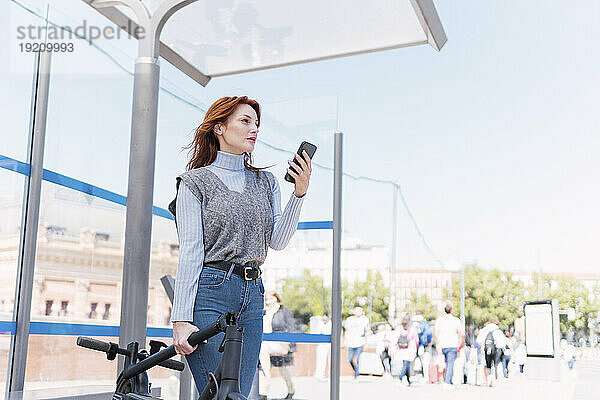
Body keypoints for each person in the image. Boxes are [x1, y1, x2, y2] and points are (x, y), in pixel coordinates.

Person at [168, 96, 312, 397]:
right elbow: (191, 252)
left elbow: (278, 241)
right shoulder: (194, 182)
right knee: (220, 394)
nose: (254, 129)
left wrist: (298, 195)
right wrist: (180, 320)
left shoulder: (267, 182)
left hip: (253, 296)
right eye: (245, 121)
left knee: (239, 395)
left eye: (256, 123)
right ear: (219, 127)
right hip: (210, 294)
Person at [259, 292, 296, 400]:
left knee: (283, 370)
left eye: (271, 298)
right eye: (267, 299)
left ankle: (291, 390)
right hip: (266, 343)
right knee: (263, 365)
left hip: (280, 343)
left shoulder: (283, 310)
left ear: (276, 298)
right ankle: (263, 392)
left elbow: (291, 327)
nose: (268, 301)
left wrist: (292, 346)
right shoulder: (264, 311)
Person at [435, 302, 465, 388]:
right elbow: (461, 334)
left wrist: (438, 344)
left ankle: (446, 379)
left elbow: (436, 334)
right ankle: (447, 381)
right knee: (450, 363)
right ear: (451, 310)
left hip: (442, 344)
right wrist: (461, 344)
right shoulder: (456, 320)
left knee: (445, 363)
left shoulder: (440, 320)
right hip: (453, 344)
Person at [476, 317, 507, 386]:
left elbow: (478, 340)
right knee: (496, 364)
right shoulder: (498, 331)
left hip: (487, 349)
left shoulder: (485, 329)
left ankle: (488, 380)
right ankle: (495, 380)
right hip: (496, 350)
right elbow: (502, 343)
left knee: (488, 365)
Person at [392, 314, 418, 387]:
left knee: (406, 364)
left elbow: (395, 338)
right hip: (410, 349)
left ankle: (408, 380)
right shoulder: (412, 329)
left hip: (401, 349)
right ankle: (400, 378)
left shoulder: (399, 328)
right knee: (406, 365)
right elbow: (416, 340)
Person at [343, 307, 370, 379]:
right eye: (357, 311)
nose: (359, 312)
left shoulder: (365, 320)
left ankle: (357, 375)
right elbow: (347, 331)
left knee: (357, 359)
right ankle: (355, 370)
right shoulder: (349, 320)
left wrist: (367, 343)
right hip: (351, 342)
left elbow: (367, 332)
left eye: (360, 311)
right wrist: (345, 340)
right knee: (350, 359)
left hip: (360, 342)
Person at [314, 313, 332, 380]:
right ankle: (320, 374)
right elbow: (317, 333)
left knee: (331, 360)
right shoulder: (320, 323)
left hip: (330, 343)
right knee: (321, 359)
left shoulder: (332, 324)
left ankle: (331, 375)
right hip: (322, 344)